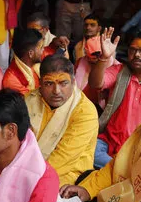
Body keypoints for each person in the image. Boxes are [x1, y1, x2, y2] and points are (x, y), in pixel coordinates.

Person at [89, 30, 141, 168]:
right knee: (90, 152)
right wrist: (104, 58)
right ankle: (123, 169)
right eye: (133, 50)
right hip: (109, 141)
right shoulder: (119, 70)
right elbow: (95, 83)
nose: (136, 55)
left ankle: (119, 169)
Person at [25, 55, 98, 186]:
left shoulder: (85, 112)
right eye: (49, 84)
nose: (56, 91)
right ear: (40, 83)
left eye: (63, 83)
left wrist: (26, 178)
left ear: (74, 82)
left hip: (68, 176)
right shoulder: (29, 99)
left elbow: (63, 159)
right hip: (27, 167)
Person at [73, 14, 119, 91]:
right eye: (86, 25)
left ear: (99, 28)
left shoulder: (108, 48)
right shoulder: (78, 47)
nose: (88, 27)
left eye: (92, 25)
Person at [2, 28, 44, 96]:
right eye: (41, 47)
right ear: (31, 54)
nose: (43, 50)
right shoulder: (12, 80)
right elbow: (31, 101)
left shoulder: (32, 63)